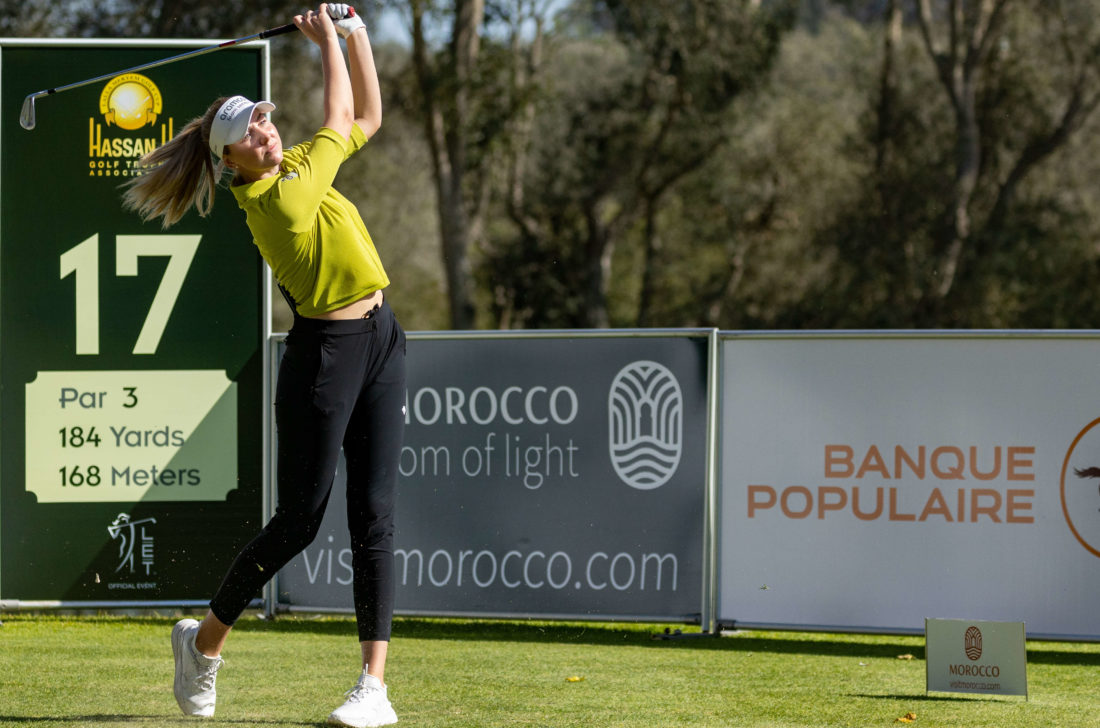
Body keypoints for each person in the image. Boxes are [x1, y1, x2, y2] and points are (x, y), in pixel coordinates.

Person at [122, 5, 404, 727]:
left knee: (373, 515)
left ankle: (374, 686)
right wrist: (328, 41)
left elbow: (368, 115)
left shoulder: (302, 164)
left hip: (380, 337)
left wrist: (358, 31)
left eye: (264, 120)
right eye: (249, 131)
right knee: (298, 523)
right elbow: (341, 108)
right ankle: (204, 644)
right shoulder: (275, 200)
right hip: (326, 356)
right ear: (230, 162)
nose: (265, 130)